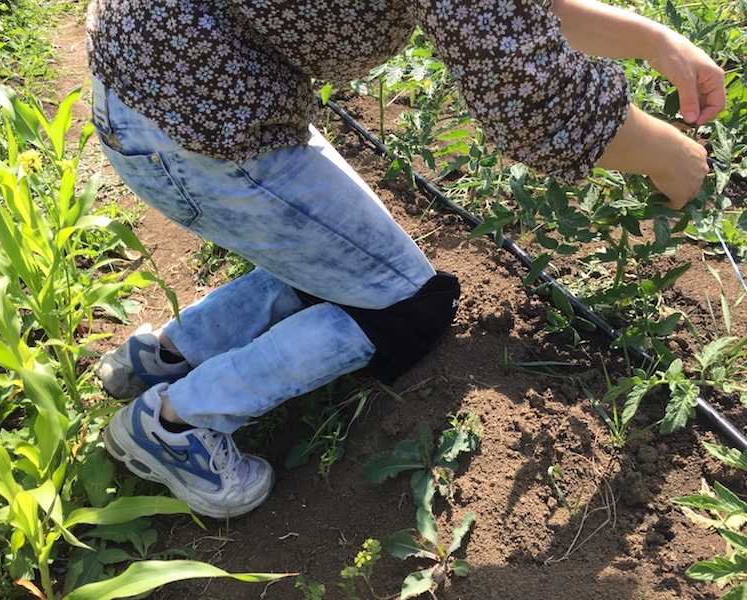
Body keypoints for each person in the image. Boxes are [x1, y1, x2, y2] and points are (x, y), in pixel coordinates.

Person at [85, 0, 725, 519]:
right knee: (407, 307)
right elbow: (536, 100)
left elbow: (517, 12)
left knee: (343, 263)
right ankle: (175, 426)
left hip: (157, 81)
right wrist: (674, 160)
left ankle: (165, 354)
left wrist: (650, 37)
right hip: (197, 131)